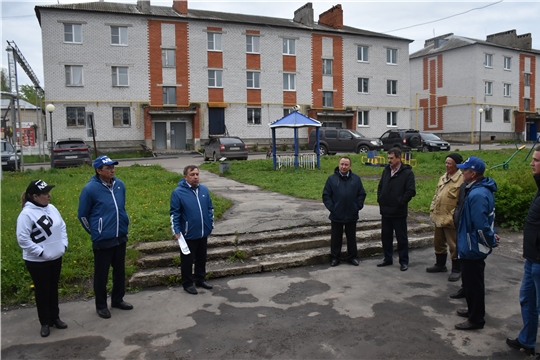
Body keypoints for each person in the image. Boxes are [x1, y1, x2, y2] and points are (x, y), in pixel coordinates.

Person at [78, 155, 133, 319]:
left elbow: (120, 207)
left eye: (113, 167)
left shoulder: (119, 185)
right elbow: (83, 215)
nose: (112, 170)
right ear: (98, 170)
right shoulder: (90, 189)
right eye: (108, 168)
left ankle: (117, 299)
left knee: (119, 271)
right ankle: (101, 305)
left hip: (120, 236)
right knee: (101, 274)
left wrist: (124, 223)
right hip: (103, 239)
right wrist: (96, 232)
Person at [16, 179, 68, 337]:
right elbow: (23, 239)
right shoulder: (26, 214)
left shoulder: (52, 208)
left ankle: (55, 317)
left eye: (48, 192)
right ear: (34, 197)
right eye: (44, 193)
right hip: (37, 261)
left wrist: (63, 244)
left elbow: (62, 226)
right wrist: (41, 253)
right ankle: (44, 322)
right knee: (42, 290)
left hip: (55, 257)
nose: (48, 195)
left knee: (53, 288)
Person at [454, 156, 497, 330]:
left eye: (465, 170)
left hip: (473, 247)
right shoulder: (475, 189)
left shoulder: (478, 194)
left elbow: (481, 225)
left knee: (474, 284)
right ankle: (472, 311)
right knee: (470, 283)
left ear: (473, 174)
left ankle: (476, 319)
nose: (462, 172)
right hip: (469, 244)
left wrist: (491, 240)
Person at [506, 146, 540, 356]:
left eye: (536, 160)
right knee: (527, 299)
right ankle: (527, 341)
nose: (531, 163)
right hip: (531, 258)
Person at [170, 165, 214, 295]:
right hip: (188, 234)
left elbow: (210, 208)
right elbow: (174, 213)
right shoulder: (178, 192)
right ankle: (187, 283)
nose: (195, 177)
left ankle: (200, 279)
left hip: (203, 231)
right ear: (185, 177)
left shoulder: (204, 190)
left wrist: (210, 224)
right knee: (187, 261)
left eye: (197, 174)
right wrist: (176, 230)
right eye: (192, 175)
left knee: (201, 258)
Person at [323, 157, 367, 267]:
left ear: (350, 166)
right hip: (336, 214)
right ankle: (334, 258)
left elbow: (361, 194)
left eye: (346, 165)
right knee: (336, 238)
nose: (343, 166)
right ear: (339, 165)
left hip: (351, 213)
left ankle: (352, 257)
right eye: (342, 164)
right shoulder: (332, 179)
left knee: (351, 237)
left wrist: (358, 206)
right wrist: (332, 208)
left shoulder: (356, 179)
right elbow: (326, 195)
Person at [377, 147, 416, 271]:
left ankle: (404, 261)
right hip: (386, 211)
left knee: (401, 238)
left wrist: (401, 202)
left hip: (399, 212)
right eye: (388, 158)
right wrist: (380, 199)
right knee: (386, 237)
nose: (389, 161)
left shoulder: (407, 173)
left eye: (392, 158)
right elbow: (380, 186)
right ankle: (387, 258)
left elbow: (411, 191)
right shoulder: (386, 170)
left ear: (399, 158)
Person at [427, 153, 464, 281]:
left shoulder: (462, 179)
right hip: (439, 216)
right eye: (446, 163)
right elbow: (437, 195)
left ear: (456, 165)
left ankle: (456, 269)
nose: (447, 165)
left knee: (453, 245)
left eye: (449, 163)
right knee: (438, 242)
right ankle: (440, 264)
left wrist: (454, 215)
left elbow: (462, 201)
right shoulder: (443, 177)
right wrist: (432, 209)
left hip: (450, 219)